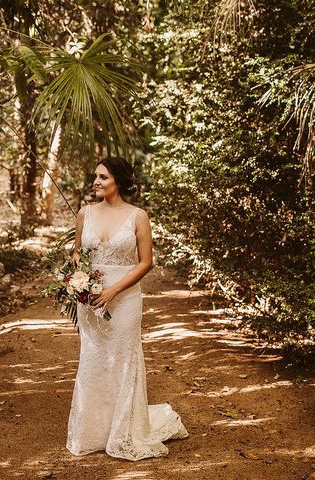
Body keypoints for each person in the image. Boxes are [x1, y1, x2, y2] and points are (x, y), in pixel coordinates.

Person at [66, 156, 189, 461]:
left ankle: (124, 431)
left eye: (103, 177)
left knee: (122, 359)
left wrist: (112, 290)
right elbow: (78, 253)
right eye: (96, 176)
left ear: (118, 181)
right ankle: (92, 431)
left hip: (125, 297)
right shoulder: (85, 213)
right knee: (93, 360)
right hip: (91, 300)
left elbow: (146, 262)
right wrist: (78, 280)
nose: (96, 182)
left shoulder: (138, 216)